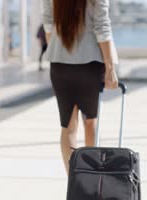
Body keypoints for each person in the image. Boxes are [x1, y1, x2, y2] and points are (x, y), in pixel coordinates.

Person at [42, 0, 119, 173]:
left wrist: (58, 51)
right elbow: (101, 25)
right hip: (90, 63)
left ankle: (74, 184)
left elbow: (48, 21)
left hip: (59, 64)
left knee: (68, 127)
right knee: (91, 122)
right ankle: (90, 179)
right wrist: (110, 67)